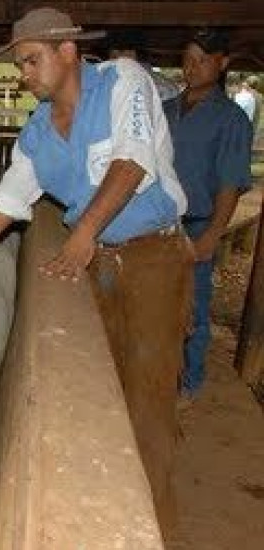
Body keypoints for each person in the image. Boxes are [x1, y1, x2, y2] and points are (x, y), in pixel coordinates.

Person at [0, 6, 193, 524]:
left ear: (68, 51)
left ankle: (150, 522)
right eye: (20, 65)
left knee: (147, 400)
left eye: (32, 61)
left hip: (151, 257)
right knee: (103, 389)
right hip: (95, 260)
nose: (23, 75)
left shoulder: (123, 81)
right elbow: (0, 209)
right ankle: (98, 508)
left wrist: (83, 235)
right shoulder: (35, 134)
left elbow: (132, 160)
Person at [162, 29, 254, 403]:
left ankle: (191, 380)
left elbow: (230, 183)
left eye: (202, 60)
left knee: (193, 305)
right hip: (158, 221)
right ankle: (158, 370)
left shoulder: (232, 120)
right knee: (157, 297)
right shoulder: (166, 110)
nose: (192, 67)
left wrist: (213, 235)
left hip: (198, 222)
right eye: (187, 59)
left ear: (223, 63)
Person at [106, 28, 182, 101]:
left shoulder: (162, 87)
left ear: (132, 54)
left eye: (116, 56)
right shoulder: (167, 86)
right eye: (113, 56)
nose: (114, 62)